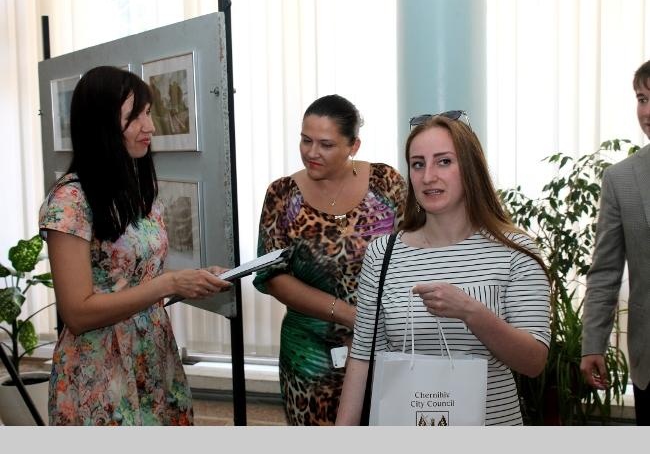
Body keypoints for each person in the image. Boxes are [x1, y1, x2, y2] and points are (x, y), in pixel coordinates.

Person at [38, 66, 232, 426]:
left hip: (152, 354)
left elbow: (132, 275)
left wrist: (191, 279)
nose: (151, 127)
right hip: (100, 367)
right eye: (135, 116)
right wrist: (168, 284)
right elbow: (77, 313)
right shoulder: (70, 201)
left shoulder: (134, 190)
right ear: (102, 125)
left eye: (149, 113)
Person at [336, 112, 551, 426]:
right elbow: (362, 358)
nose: (428, 176)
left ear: (471, 168)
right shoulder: (382, 253)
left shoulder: (515, 251)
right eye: (417, 164)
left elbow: (533, 362)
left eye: (444, 162)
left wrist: (470, 311)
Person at [253, 94, 406, 425]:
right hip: (311, 357)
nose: (312, 152)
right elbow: (272, 276)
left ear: (353, 146)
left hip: (383, 346)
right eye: (305, 140)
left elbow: (411, 254)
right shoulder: (282, 195)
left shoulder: (386, 183)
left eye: (326, 144)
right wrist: (350, 315)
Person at [580, 59, 650, 426]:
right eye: (642, 99)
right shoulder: (621, 179)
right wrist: (593, 343)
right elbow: (605, 271)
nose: (647, 111)